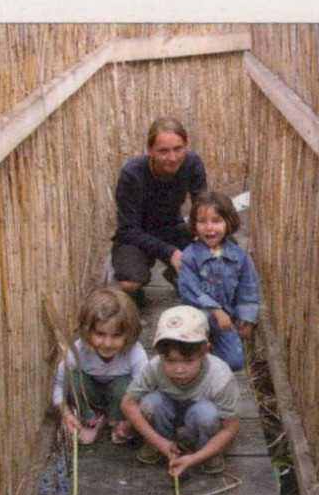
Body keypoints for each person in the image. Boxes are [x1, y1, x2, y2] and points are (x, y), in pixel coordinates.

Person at [120, 305, 242, 477]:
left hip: (200, 415)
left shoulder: (220, 377)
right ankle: (163, 443)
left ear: (205, 350)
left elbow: (231, 427)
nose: (179, 370)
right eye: (170, 361)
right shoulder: (155, 367)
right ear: (161, 356)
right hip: (168, 411)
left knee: (206, 414)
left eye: (188, 361)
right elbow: (128, 403)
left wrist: (194, 459)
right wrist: (159, 442)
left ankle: (205, 450)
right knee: (150, 403)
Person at [111, 117, 207, 306]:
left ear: (186, 145)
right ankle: (136, 292)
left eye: (178, 149)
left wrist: (202, 239)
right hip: (136, 236)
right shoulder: (131, 175)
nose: (172, 158)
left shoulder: (192, 164)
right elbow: (127, 230)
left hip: (173, 228)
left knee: (220, 252)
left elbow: (202, 210)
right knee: (129, 282)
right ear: (149, 151)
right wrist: (171, 253)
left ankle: (175, 273)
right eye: (163, 151)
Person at [176, 190, 260, 371]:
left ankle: (213, 352)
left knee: (235, 362)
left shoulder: (239, 257)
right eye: (202, 221)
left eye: (216, 221)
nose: (209, 228)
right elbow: (189, 291)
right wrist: (215, 310)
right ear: (194, 224)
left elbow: (248, 288)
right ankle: (201, 352)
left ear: (228, 223)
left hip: (226, 321)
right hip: (197, 318)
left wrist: (247, 319)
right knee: (189, 358)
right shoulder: (190, 256)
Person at [51, 286, 146, 445]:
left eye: (117, 336)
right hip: (91, 395)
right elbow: (60, 384)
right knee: (72, 379)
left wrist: (131, 422)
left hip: (121, 402)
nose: (108, 343)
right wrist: (65, 413)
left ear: (129, 334)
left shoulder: (135, 353)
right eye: (100, 334)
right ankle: (90, 418)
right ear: (87, 330)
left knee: (128, 385)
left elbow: (146, 390)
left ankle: (117, 420)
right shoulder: (78, 351)